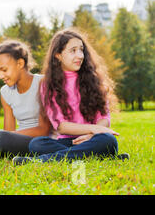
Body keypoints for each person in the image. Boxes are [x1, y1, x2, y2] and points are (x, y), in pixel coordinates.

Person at [13, 28, 128, 165]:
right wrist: (94, 129)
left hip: (92, 138)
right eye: (73, 51)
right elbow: (61, 126)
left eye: (81, 50)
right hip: (67, 141)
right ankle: (97, 155)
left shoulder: (94, 79)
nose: (80, 55)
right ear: (58, 55)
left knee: (108, 140)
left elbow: (103, 117)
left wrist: (92, 134)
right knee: (37, 144)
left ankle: (40, 161)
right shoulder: (48, 84)